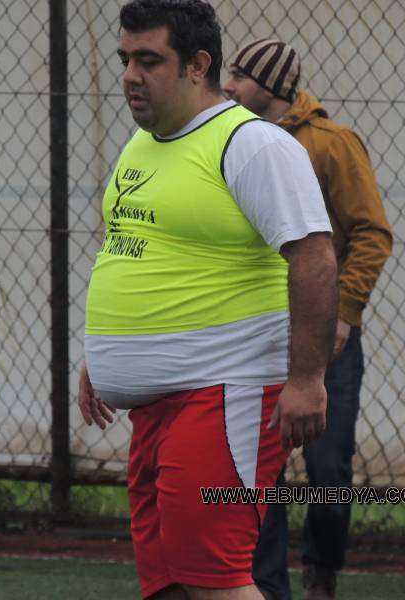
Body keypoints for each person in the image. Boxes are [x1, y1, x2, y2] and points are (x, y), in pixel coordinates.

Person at [78, 2, 339, 599]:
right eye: (124, 60)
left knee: (214, 581)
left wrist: (306, 380)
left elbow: (315, 258)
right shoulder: (143, 143)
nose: (129, 76)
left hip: (223, 393)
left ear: (198, 65)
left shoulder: (252, 145)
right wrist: (105, 353)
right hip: (157, 408)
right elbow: (134, 248)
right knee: (169, 584)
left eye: (148, 61)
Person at [223, 39, 393, 600]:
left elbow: (371, 233)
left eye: (240, 76)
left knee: (328, 467)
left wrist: (342, 313)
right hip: (257, 333)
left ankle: (323, 571)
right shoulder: (229, 140)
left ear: (270, 86)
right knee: (258, 469)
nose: (228, 85)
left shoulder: (332, 144)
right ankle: (266, 586)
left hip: (326, 337)